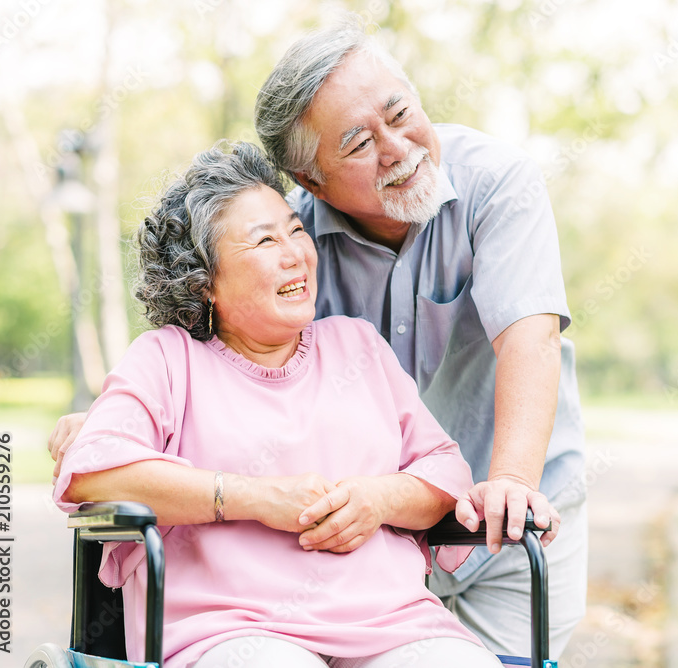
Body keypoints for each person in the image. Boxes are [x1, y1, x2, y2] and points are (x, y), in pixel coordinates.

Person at [51, 13, 588, 659]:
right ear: (312, 183)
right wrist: (117, 421)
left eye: (401, 113)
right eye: (359, 143)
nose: (397, 147)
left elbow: (526, 345)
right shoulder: (279, 242)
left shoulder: (488, 192)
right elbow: (177, 383)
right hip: (245, 620)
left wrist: (491, 484)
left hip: (484, 521)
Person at [53, 141, 504, 668]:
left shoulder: (357, 346)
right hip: (230, 629)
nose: (296, 252)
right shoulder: (167, 360)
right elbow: (93, 474)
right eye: (264, 241)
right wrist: (255, 497)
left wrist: (379, 499)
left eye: (294, 229)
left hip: (391, 623)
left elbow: (445, 469)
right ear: (204, 284)